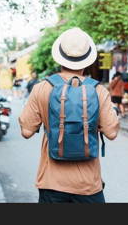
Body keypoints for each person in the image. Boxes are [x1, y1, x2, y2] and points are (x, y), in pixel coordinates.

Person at [18, 27, 120, 203]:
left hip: (51, 184)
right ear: (87, 60)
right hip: (88, 187)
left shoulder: (42, 88)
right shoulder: (98, 91)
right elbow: (111, 133)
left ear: (59, 57)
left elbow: (26, 131)